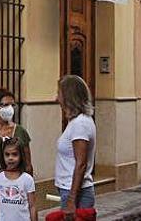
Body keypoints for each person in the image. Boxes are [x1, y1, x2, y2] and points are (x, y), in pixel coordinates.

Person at [54, 74, 96, 215]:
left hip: (77, 192)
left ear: (68, 96)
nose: (56, 98)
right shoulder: (77, 122)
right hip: (70, 189)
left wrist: (72, 199)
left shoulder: (80, 124)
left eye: (59, 93)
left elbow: (81, 163)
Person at [0, 138, 37, 221]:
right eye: (7, 154)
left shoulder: (28, 179)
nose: (10, 158)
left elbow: (32, 206)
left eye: (14, 154)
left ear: (21, 156)